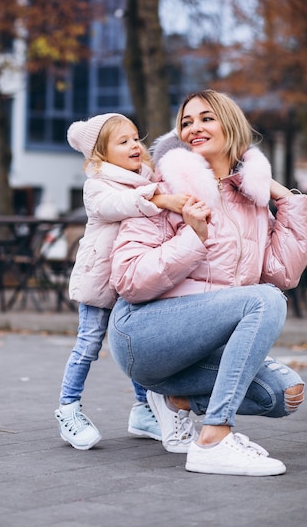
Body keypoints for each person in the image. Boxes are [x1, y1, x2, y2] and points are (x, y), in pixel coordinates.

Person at [108, 89, 307, 476]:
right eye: (186, 121)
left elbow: (282, 275)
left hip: (201, 352)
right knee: (264, 300)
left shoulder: (251, 200)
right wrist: (194, 237)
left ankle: (175, 401)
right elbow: (129, 280)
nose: (194, 128)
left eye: (206, 118)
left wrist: (286, 201)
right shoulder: (162, 190)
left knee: (283, 395)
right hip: (142, 333)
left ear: (229, 125)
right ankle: (214, 439)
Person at [55, 113, 189, 450]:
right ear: (100, 153)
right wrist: (158, 199)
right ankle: (68, 409)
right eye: (123, 141)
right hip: (101, 282)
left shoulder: (146, 177)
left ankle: (143, 411)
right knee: (88, 346)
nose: (134, 145)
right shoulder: (97, 185)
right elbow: (121, 205)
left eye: (135, 137)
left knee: (135, 346)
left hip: (134, 277)